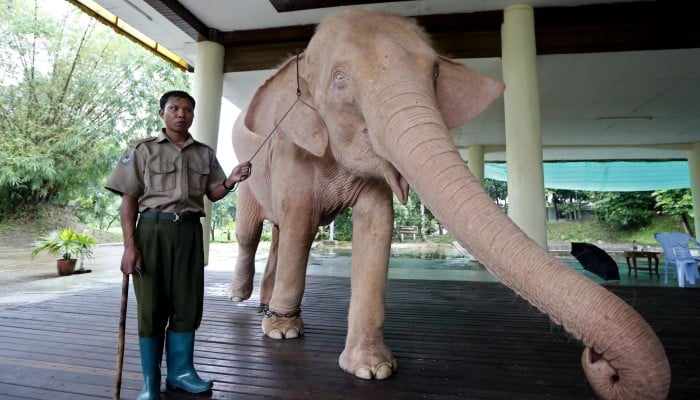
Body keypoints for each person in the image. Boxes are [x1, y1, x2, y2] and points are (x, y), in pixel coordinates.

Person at [105, 90, 251, 399]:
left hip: (188, 232)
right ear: (162, 114)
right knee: (151, 307)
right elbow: (128, 201)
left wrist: (231, 180)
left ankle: (181, 373)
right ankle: (149, 382)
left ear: (193, 115)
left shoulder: (204, 153)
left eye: (187, 109)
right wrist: (130, 247)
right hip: (151, 231)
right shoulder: (142, 150)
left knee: (187, 304)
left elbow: (212, 193)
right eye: (174, 108)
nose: (181, 114)